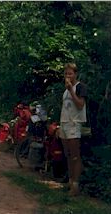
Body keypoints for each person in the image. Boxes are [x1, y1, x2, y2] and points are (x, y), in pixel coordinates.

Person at [59, 63, 87, 196]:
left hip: (74, 124)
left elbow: (81, 105)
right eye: (66, 74)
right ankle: (70, 181)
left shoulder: (79, 87)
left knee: (75, 155)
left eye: (70, 73)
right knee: (68, 154)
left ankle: (76, 185)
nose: (68, 76)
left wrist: (71, 90)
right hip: (64, 123)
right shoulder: (65, 89)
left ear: (75, 74)